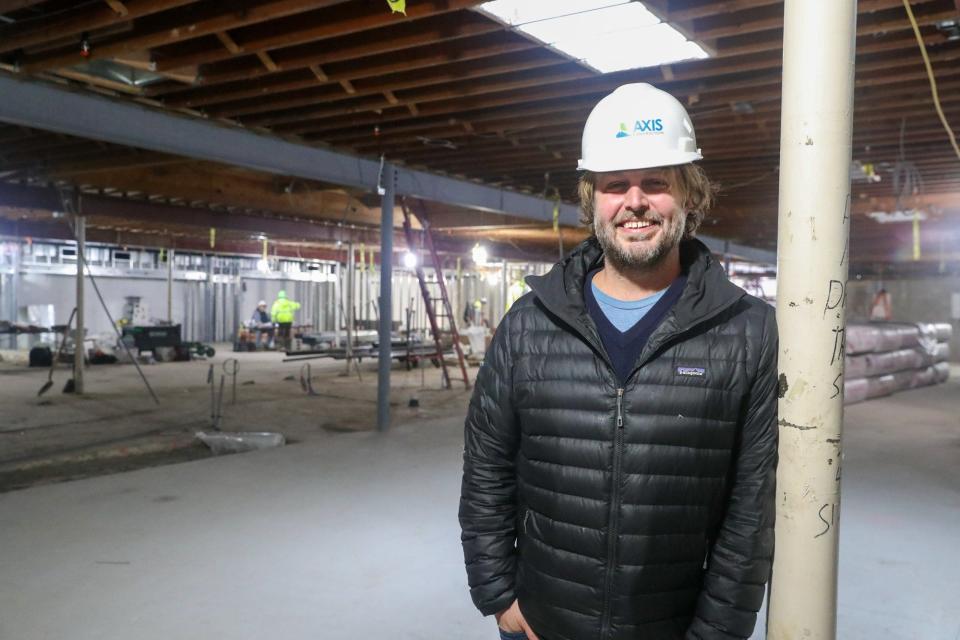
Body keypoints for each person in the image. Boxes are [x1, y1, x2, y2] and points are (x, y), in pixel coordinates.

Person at [459, 83, 778, 640]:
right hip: (539, 623)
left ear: (689, 195)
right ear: (592, 200)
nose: (634, 201)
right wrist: (499, 595)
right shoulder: (530, 323)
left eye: (656, 182)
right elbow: (486, 468)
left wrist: (717, 632)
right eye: (614, 185)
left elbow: (750, 510)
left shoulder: (744, 331)